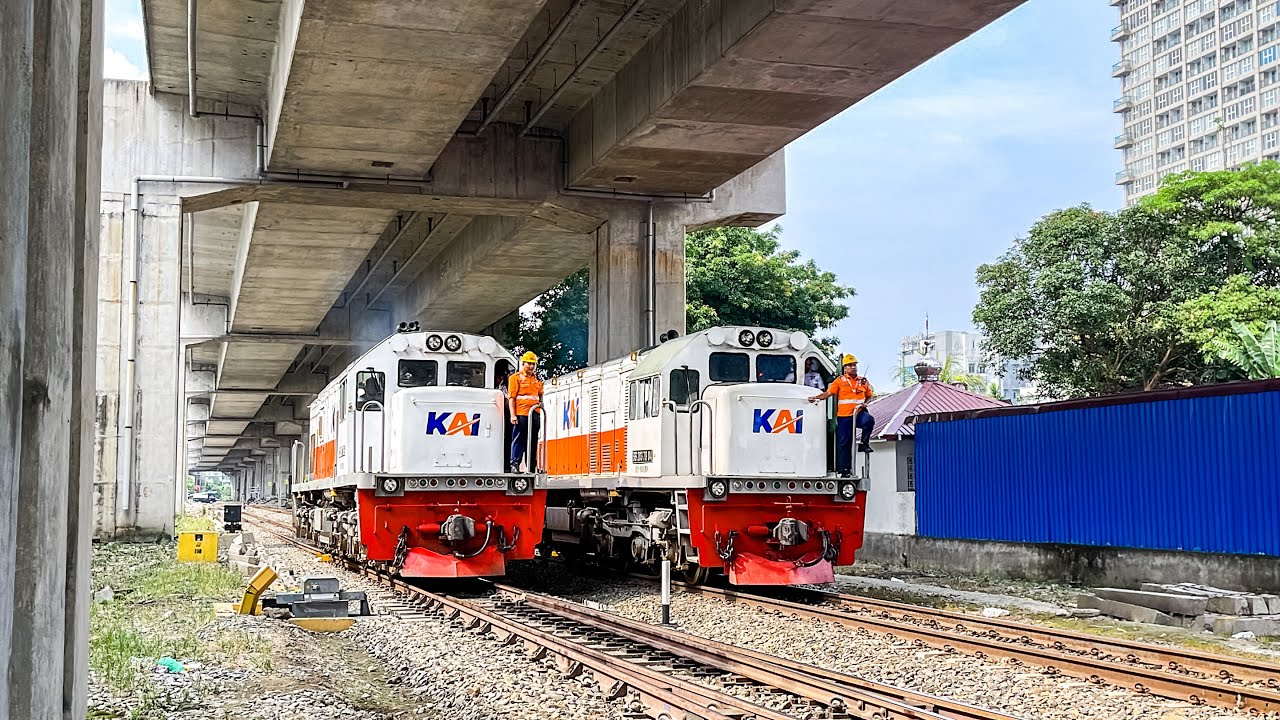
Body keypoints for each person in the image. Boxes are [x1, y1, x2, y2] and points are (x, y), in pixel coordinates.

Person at [807, 354, 875, 477]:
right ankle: (845, 470)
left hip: (858, 413)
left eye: (854, 365)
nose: (853, 367)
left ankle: (864, 444)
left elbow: (870, 395)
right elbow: (828, 393)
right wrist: (816, 398)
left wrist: (866, 403)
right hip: (844, 416)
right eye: (850, 365)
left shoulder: (863, 381)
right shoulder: (839, 381)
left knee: (869, 421)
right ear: (845, 368)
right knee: (844, 443)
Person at [508, 351, 544, 473]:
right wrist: (513, 415)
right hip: (521, 414)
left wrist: (540, 407)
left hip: (535, 413)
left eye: (533, 364)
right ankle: (514, 464)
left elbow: (540, 395)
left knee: (533, 441)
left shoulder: (537, 380)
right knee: (519, 439)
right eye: (529, 363)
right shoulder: (515, 378)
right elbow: (511, 398)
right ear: (523, 363)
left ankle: (532, 466)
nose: (531, 366)